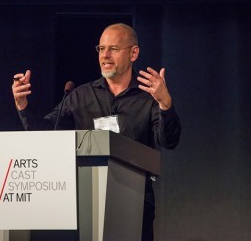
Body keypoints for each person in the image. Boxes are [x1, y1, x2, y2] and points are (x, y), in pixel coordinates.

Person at [12, 23, 181, 240]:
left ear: (133, 53)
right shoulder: (80, 96)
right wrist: (22, 103)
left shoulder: (148, 97)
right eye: (101, 49)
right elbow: (45, 134)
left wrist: (165, 104)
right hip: (85, 203)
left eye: (113, 49)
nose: (105, 55)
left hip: (136, 203)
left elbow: (168, 140)